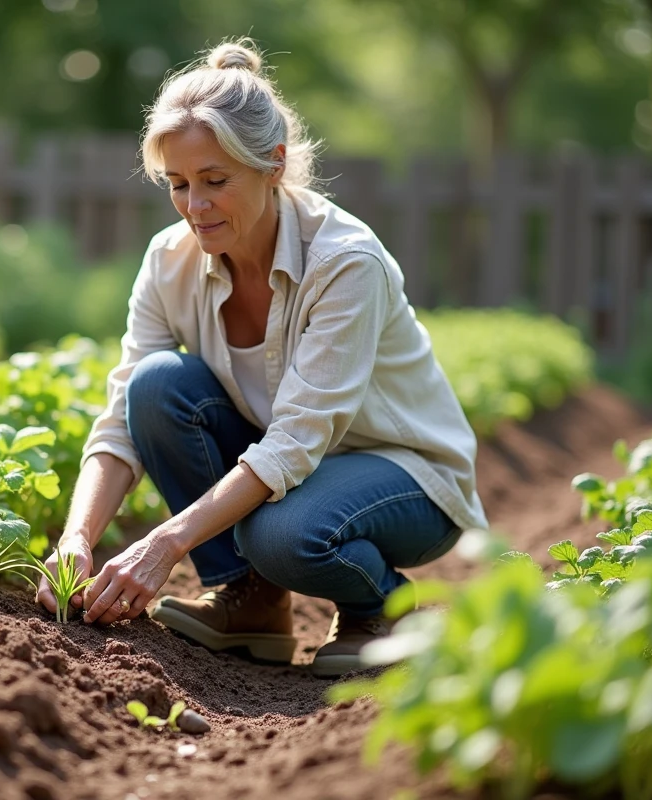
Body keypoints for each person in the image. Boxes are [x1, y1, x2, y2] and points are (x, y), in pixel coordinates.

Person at [35, 38, 487, 677]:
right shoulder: (170, 261)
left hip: (404, 476)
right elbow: (121, 421)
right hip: (296, 468)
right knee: (156, 388)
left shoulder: (344, 261)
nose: (196, 206)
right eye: (179, 184)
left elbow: (297, 441)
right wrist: (76, 538)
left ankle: (389, 608)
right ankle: (252, 603)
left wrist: (165, 544)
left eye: (216, 181)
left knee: (280, 535)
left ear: (273, 164)